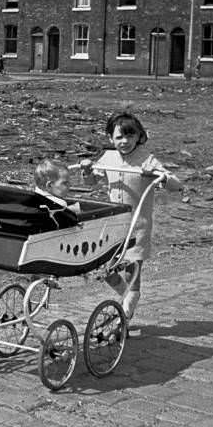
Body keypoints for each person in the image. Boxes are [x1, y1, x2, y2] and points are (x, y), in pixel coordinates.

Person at [77, 112, 176, 338]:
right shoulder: (108, 157)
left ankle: (124, 316)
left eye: (130, 136)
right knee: (104, 270)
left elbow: (175, 184)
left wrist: (160, 176)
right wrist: (86, 169)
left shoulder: (146, 159)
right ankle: (126, 301)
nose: (125, 142)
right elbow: (91, 181)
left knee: (132, 273)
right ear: (111, 138)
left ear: (139, 136)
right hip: (113, 227)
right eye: (119, 137)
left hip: (137, 228)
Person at [32, 158, 81, 227]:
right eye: (65, 183)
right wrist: (72, 209)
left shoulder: (34, 197)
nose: (70, 185)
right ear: (49, 185)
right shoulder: (59, 205)